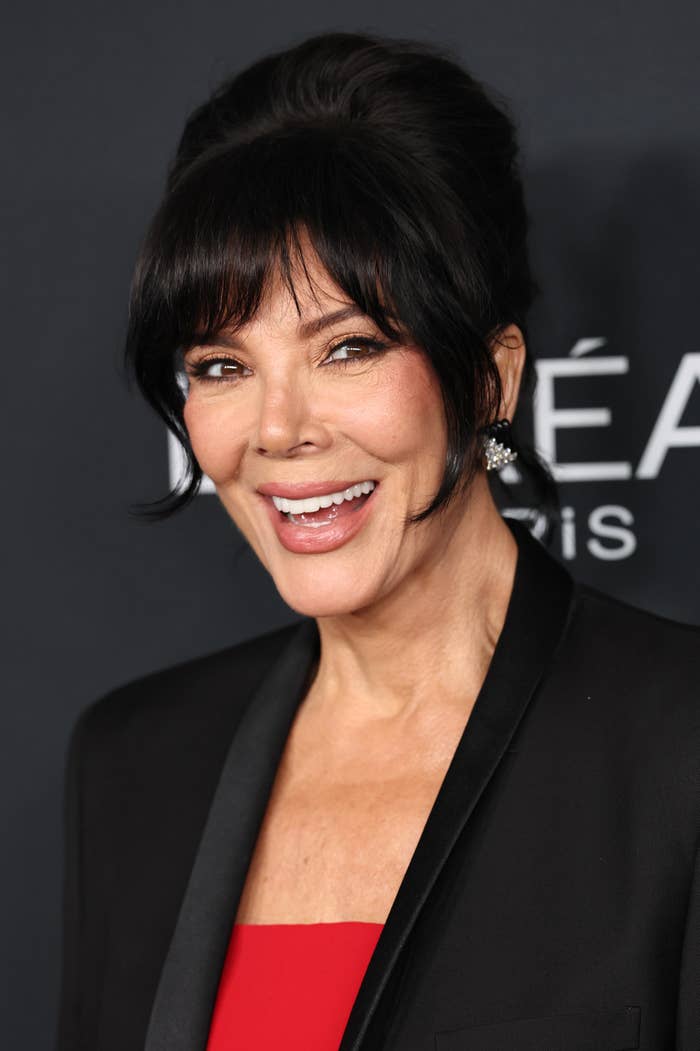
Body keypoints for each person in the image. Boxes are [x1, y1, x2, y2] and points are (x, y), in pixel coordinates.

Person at [55, 30, 699, 1051]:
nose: (276, 428)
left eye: (347, 347)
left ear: (489, 377)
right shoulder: (134, 763)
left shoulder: (676, 748)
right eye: (221, 365)